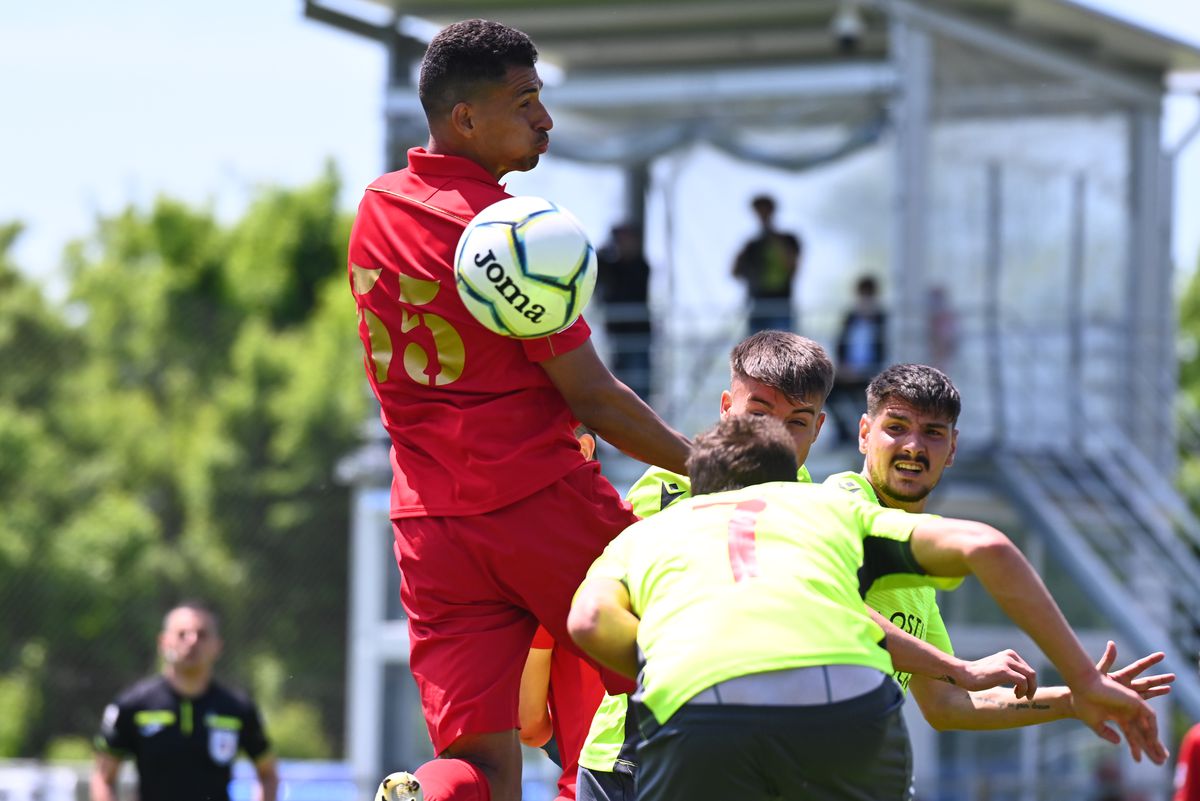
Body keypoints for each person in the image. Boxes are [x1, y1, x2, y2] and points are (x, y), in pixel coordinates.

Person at [347, 19, 690, 801]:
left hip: (430, 526)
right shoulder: (503, 230)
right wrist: (715, 466)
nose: (545, 119)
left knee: (479, 767)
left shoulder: (376, 207)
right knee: (691, 667)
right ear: (465, 118)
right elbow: (594, 396)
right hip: (538, 502)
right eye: (526, 100)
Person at [569, 415, 1167, 801]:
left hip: (697, 710)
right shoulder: (832, 506)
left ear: (698, 485)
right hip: (844, 714)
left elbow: (588, 622)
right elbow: (985, 546)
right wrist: (1083, 680)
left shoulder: (648, 533)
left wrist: (679, 653)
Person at [575, 332, 1038, 801]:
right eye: (759, 413)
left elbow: (941, 698)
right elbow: (602, 605)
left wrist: (1068, 696)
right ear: (727, 407)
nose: (774, 434)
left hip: (742, 751)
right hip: (632, 746)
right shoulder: (673, 482)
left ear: (818, 428)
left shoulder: (810, 503)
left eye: (796, 422)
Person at [825, 363, 1174, 731]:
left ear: (952, 448)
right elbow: (837, 607)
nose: (913, 446)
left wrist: (1072, 699)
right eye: (896, 428)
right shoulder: (838, 502)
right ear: (865, 434)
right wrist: (960, 668)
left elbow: (948, 703)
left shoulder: (915, 557)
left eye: (932, 432)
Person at [91, 601, 278, 801]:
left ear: (218, 646)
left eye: (202, 634)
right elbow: (103, 777)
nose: (192, 641)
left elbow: (268, 775)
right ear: (163, 642)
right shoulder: (133, 705)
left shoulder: (237, 708)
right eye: (182, 634)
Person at [517, 426, 606, 801]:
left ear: (584, 448)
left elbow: (529, 724)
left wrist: (570, 740)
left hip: (589, 788)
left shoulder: (538, 568)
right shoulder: (648, 538)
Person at [828, 274, 887, 445]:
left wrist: (863, 371)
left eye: (868, 295)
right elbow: (840, 345)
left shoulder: (882, 319)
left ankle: (870, 434)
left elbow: (885, 352)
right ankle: (844, 433)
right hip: (849, 371)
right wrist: (843, 368)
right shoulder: (850, 318)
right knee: (827, 388)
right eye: (862, 295)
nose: (865, 299)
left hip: (873, 372)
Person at [595, 223, 652, 399]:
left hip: (637, 338)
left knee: (639, 389)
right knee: (619, 385)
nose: (622, 243)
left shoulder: (640, 266)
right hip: (616, 337)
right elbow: (597, 265)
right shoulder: (614, 266)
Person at [732, 194, 802, 333]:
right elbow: (735, 273)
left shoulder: (788, 239)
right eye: (759, 211)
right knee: (757, 344)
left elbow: (792, 267)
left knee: (783, 343)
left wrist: (773, 239)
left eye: (765, 210)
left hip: (781, 303)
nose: (762, 215)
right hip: (757, 303)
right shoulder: (752, 245)